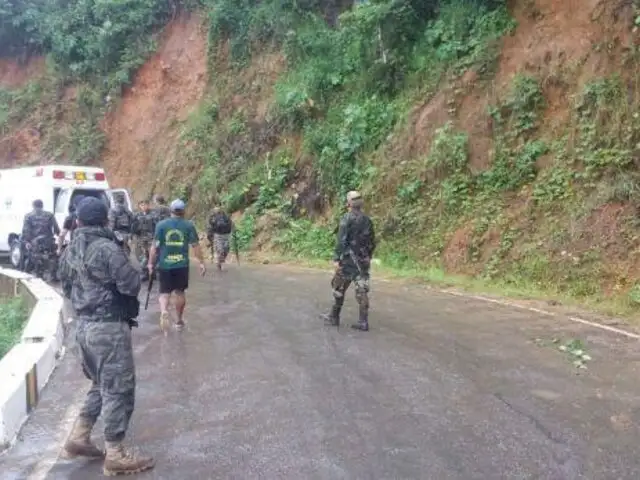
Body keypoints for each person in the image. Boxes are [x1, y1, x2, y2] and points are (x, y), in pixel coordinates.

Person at [58, 197, 154, 476]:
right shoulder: (108, 249)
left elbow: (65, 287)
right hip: (108, 329)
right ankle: (116, 453)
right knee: (119, 388)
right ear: (105, 220)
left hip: (83, 329)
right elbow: (131, 285)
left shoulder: (69, 251)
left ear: (78, 221)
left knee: (100, 384)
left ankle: (80, 435)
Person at [148, 199, 205, 333]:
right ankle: (179, 320)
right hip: (181, 265)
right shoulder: (188, 225)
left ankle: (163, 311)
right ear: (183, 211)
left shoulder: (161, 225)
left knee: (164, 292)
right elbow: (195, 246)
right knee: (179, 292)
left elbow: (154, 247)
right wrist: (201, 262)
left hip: (165, 265)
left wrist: (150, 263)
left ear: (171, 210)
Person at [322, 191, 376, 331]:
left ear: (349, 204)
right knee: (362, 289)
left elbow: (341, 242)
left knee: (339, 287)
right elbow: (372, 242)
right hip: (362, 261)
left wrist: (336, 259)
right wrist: (368, 257)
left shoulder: (346, 219)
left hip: (347, 261)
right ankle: (363, 321)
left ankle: (334, 316)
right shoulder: (367, 220)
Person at [21, 199, 60, 279]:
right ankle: (53, 276)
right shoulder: (49, 215)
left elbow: (26, 230)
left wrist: (27, 242)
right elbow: (56, 229)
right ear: (42, 206)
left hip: (35, 242)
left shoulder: (28, 216)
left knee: (36, 259)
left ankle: (39, 276)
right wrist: (59, 236)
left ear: (33, 206)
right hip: (48, 241)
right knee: (52, 258)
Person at [133, 200, 155, 281]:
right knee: (141, 255)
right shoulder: (136, 215)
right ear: (139, 206)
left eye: (145, 205)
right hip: (140, 238)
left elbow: (157, 225)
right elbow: (133, 226)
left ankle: (152, 272)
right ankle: (144, 272)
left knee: (152, 255)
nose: (143, 206)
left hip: (151, 238)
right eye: (141, 205)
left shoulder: (153, 214)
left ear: (148, 205)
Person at [206, 206, 234, 270]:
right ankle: (219, 262)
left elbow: (231, 223)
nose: (217, 211)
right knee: (220, 250)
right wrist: (210, 236)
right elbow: (210, 227)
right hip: (218, 236)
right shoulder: (212, 217)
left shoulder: (225, 216)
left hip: (226, 235)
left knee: (227, 249)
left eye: (218, 210)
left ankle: (220, 260)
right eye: (216, 210)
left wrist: (233, 228)